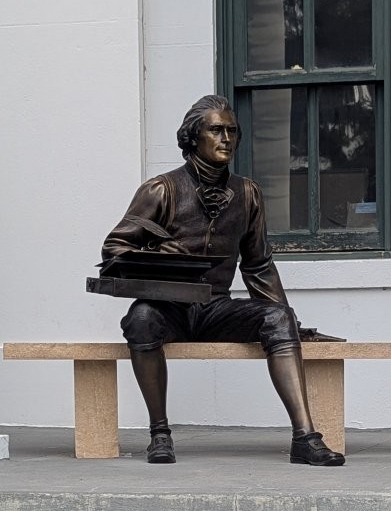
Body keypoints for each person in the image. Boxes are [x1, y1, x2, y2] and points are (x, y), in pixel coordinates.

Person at [102, 94, 345, 466]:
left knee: (277, 319)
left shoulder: (247, 193)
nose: (226, 138)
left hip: (216, 307)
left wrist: (285, 315)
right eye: (216, 130)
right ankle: (160, 434)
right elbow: (114, 247)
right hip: (169, 308)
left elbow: (258, 264)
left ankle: (305, 438)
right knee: (141, 318)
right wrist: (155, 255)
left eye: (232, 131)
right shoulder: (161, 189)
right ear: (193, 138)